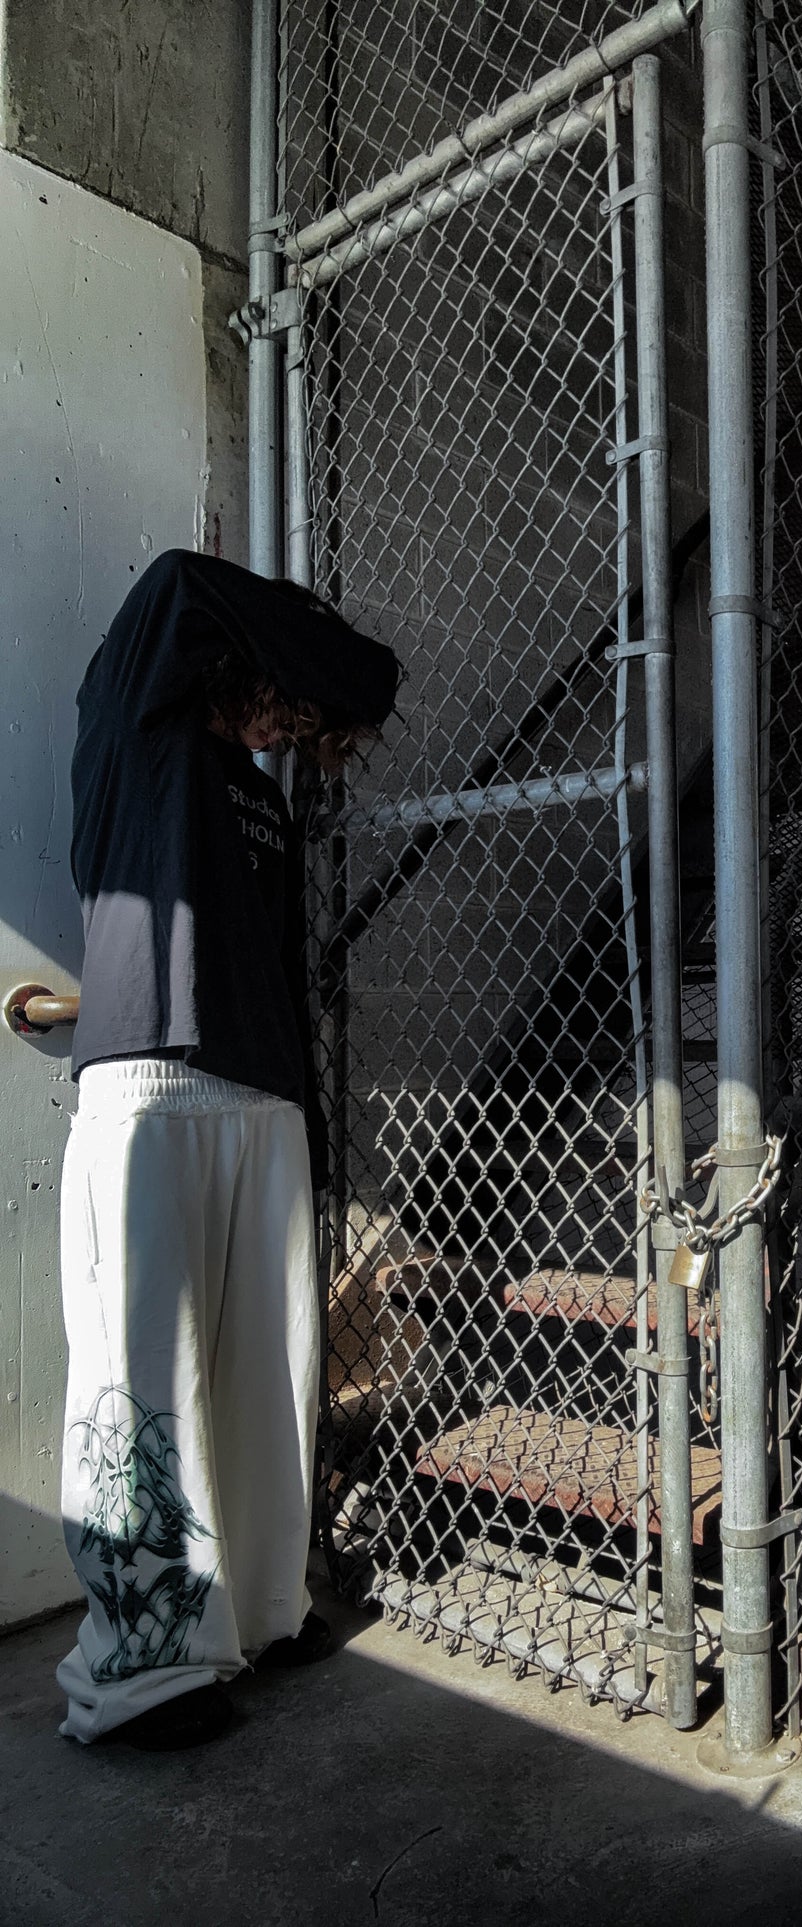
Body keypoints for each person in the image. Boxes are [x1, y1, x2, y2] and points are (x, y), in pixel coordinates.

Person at [56, 548, 399, 1749]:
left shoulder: (255, 788)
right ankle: (142, 1669)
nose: (276, 733)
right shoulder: (132, 716)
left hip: (263, 1097)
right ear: (237, 666)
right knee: (142, 1377)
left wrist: (309, 1129)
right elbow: (183, 587)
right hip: (152, 1076)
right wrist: (311, 671)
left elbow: (369, 674)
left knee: (272, 1380)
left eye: (291, 727)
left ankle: (258, 1607)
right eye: (274, 708)